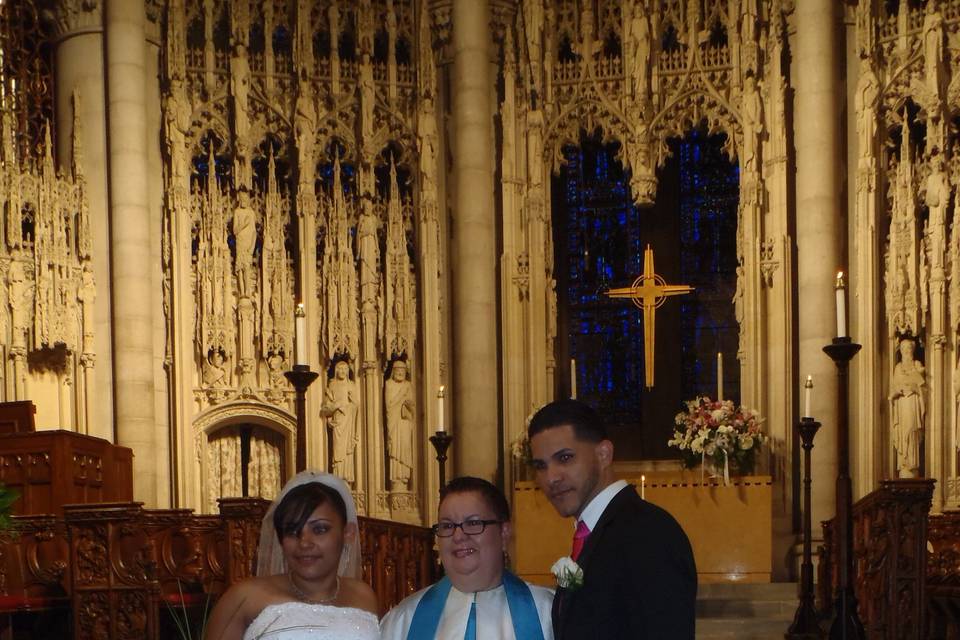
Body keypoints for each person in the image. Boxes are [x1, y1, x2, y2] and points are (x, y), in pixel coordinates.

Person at [527, 399, 696, 639]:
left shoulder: (648, 533)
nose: (551, 477)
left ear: (604, 454)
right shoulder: (598, 532)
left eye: (565, 458)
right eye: (541, 466)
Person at [204, 471, 380, 639]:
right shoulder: (244, 597)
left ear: (348, 533)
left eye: (319, 529)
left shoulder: (364, 596)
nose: (304, 542)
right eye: (292, 531)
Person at [380, 476, 554, 639]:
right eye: (447, 526)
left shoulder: (547, 612)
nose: (458, 536)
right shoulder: (404, 619)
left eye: (473, 523)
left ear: (504, 532)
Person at [890, 338, 926, 478]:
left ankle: (913, 464)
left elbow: (922, 385)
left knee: (912, 430)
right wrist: (898, 389)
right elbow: (895, 385)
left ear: (913, 350)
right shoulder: (898, 367)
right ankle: (904, 465)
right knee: (903, 432)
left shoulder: (917, 364)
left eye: (909, 348)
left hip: (913, 402)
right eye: (904, 349)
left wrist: (914, 386)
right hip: (902, 402)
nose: (906, 351)